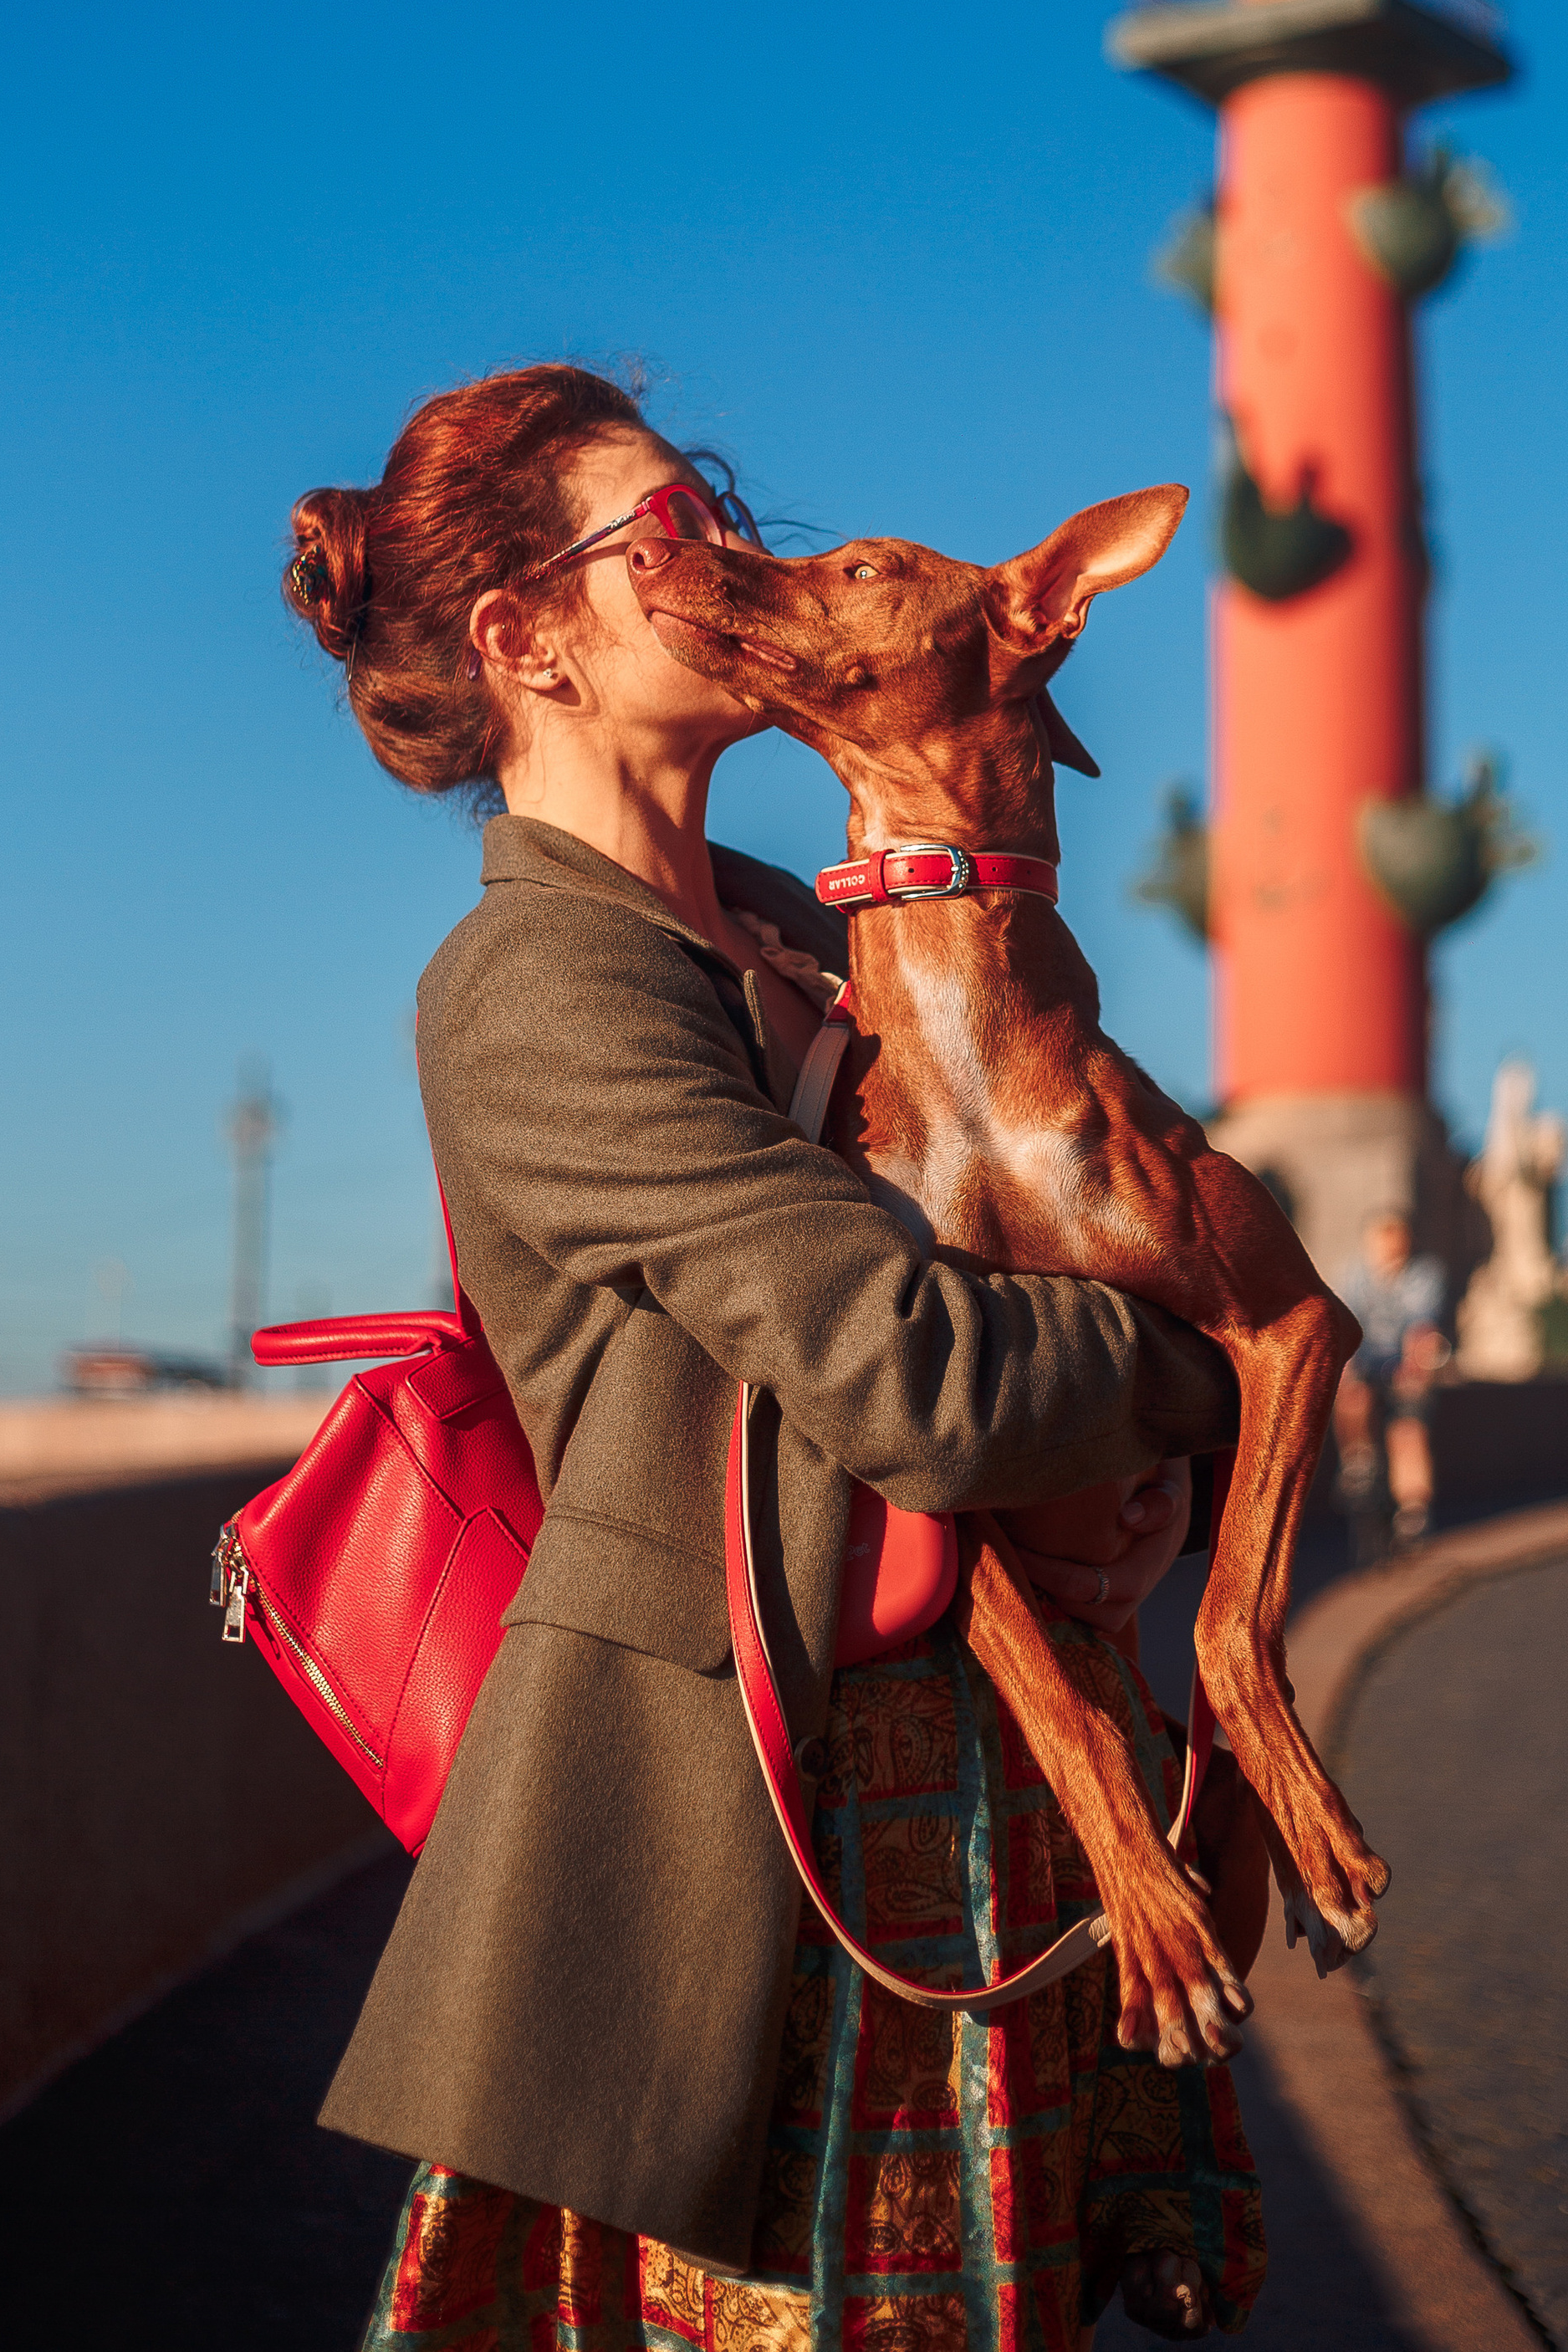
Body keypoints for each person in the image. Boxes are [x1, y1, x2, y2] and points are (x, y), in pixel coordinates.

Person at [282, 362, 1267, 2351]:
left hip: (983, 1813)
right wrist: (1203, 1357)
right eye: (666, 532)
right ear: (526, 637)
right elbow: (917, 1375)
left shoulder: (799, 934)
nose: (738, 561)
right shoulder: (535, 982)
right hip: (762, 1872)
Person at [1331, 1209, 1448, 1554]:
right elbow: (1344, 1321)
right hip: (1366, 1364)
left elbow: (1422, 1329)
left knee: (1407, 1433)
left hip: (1404, 1367)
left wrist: (1414, 1369)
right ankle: (1358, 1461)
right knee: (1352, 1398)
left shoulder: (1424, 1276)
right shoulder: (1355, 1275)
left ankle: (1413, 1511)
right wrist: (1346, 1365)